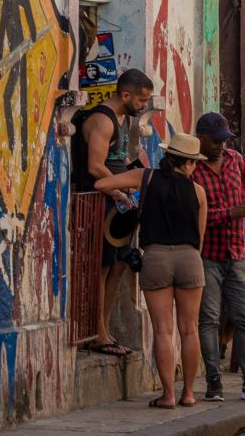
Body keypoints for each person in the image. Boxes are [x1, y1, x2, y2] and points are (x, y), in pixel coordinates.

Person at [95, 133, 207, 409]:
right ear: (190, 164)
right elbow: (200, 239)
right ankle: (189, 394)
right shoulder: (198, 192)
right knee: (189, 330)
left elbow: (101, 182)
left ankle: (168, 395)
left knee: (163, 331)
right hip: (190, 259)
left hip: (156, 257)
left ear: (168, 156)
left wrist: (124, 194)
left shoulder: (145, 178)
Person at [190, 112, 245, 403]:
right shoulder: (191, 168)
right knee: (209, 319)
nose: (221, 146)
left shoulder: (236, 161)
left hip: (236, 254)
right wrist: (230, 213)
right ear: (201, 138)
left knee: (244, 318)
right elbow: (192, 215)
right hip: (207, 256)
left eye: (225, 141)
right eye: (216, 142)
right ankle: (213, 380)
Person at [73, 69, 154, 357]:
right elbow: (95, 167)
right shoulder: (101, 120)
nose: (144, 106)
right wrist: (120, 192)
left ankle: (104, 328)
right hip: (101, 203)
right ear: (125, 95)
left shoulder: (123, 119)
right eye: (142, 100)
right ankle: (97, 333)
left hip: (118, 206)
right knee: (101, 267)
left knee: (119, 265)